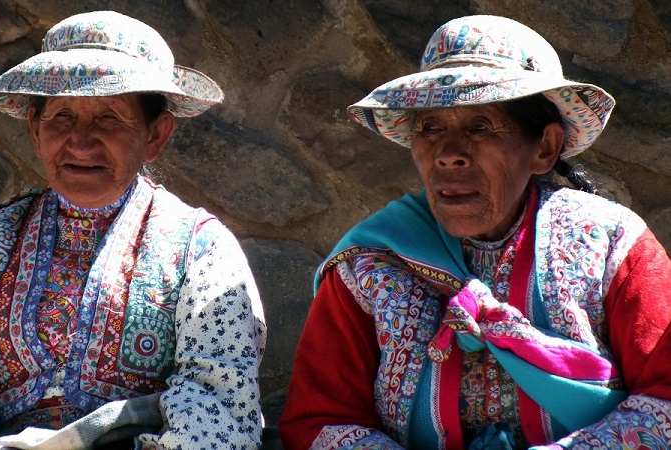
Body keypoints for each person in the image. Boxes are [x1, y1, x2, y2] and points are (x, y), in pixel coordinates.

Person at [279, 14, 671, 450]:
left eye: (479, 127)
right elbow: (318, 419)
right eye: (430, 127)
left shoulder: (612, 244)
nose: (448, 155)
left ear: (544, 148)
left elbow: (666, 396)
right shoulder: (368, 263)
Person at [0, 10, 266, 450]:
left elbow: (217, 411)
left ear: (155, 135)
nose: (80, 142)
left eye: (108, 118)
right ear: (35, 128)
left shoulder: (202, 251)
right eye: (62, 116)